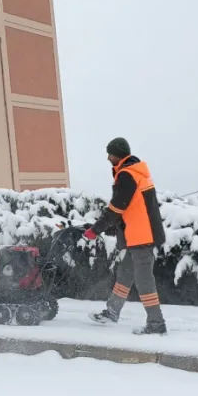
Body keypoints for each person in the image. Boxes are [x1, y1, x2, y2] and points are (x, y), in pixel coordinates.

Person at [83, 137, 167, 335]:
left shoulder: (127, 175)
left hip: (142, 236)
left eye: (110, 154)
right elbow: (133, 209)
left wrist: (96, 229)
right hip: (138, 235)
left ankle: (156, 324)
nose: (108, 158)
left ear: (118, 154)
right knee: (126, 273)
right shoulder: (136, 173)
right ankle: (112, 312)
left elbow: (117, 208)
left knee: (144, 280)